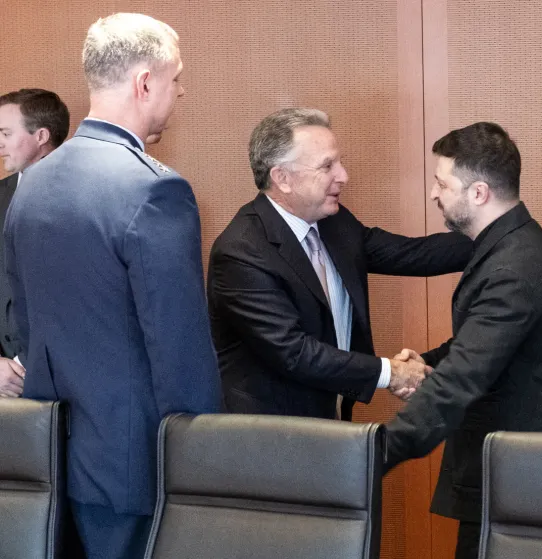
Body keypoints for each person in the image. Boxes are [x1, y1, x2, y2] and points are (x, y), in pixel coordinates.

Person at [3, 13, 221, 559]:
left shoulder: (29, 186)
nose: (180, 91)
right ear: (145, 82)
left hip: (49, 458)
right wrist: (206, 461)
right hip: (134, 469)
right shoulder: (155, 190)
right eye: (176, 78)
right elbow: (179, 348)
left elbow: (24, 322)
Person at [383, 122, 542, 559]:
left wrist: (377, 452)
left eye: (442, 184)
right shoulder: (507, 244)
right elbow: (481, 340)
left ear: (478, 193)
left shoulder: (513, 266)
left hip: (525, 481)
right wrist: (429, 363)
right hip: (509, 471)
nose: (434, 194)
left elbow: (463, 378)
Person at [208, 108, 473, 420]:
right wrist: (390, 373)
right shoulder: (242, 251)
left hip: (327, 419)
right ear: (282, 178)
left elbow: (413, 254)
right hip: (269, 431)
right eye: (327, 166)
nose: (343, 176)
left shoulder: (333, 222)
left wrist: (495, 234)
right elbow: (294, 352)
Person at [0, 88, 69, 398]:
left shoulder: (87, 197)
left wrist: (28, 364)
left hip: (71, 384)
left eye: (6, 133)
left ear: (41, 136)